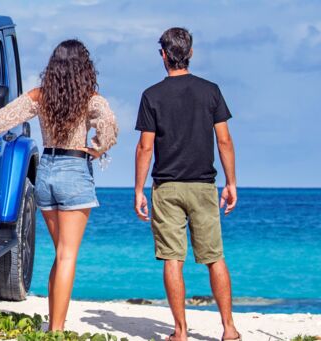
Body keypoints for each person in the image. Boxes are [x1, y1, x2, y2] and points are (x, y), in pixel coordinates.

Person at [0, 39, 117, 331]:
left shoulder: (41, 96)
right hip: (74, 170)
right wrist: (98, 148)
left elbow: (2, 119)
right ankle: (57, 330)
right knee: (67, 255)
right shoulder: (90, 99)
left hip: (47, 172)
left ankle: (54, 324)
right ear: (84, 67)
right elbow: (109, 125)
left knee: (61, 253)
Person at [133, 27, 241, 341]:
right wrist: (231, 182)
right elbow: (224, 140)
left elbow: (145, 147)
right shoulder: (211, 91)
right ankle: (229, 328)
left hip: (166, 187)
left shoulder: (151, 95)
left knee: (172, 259)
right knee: (214, 257)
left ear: (163, 55)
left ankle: (180, 332)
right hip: (204, 186)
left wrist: (139, 190)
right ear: (190, 53)